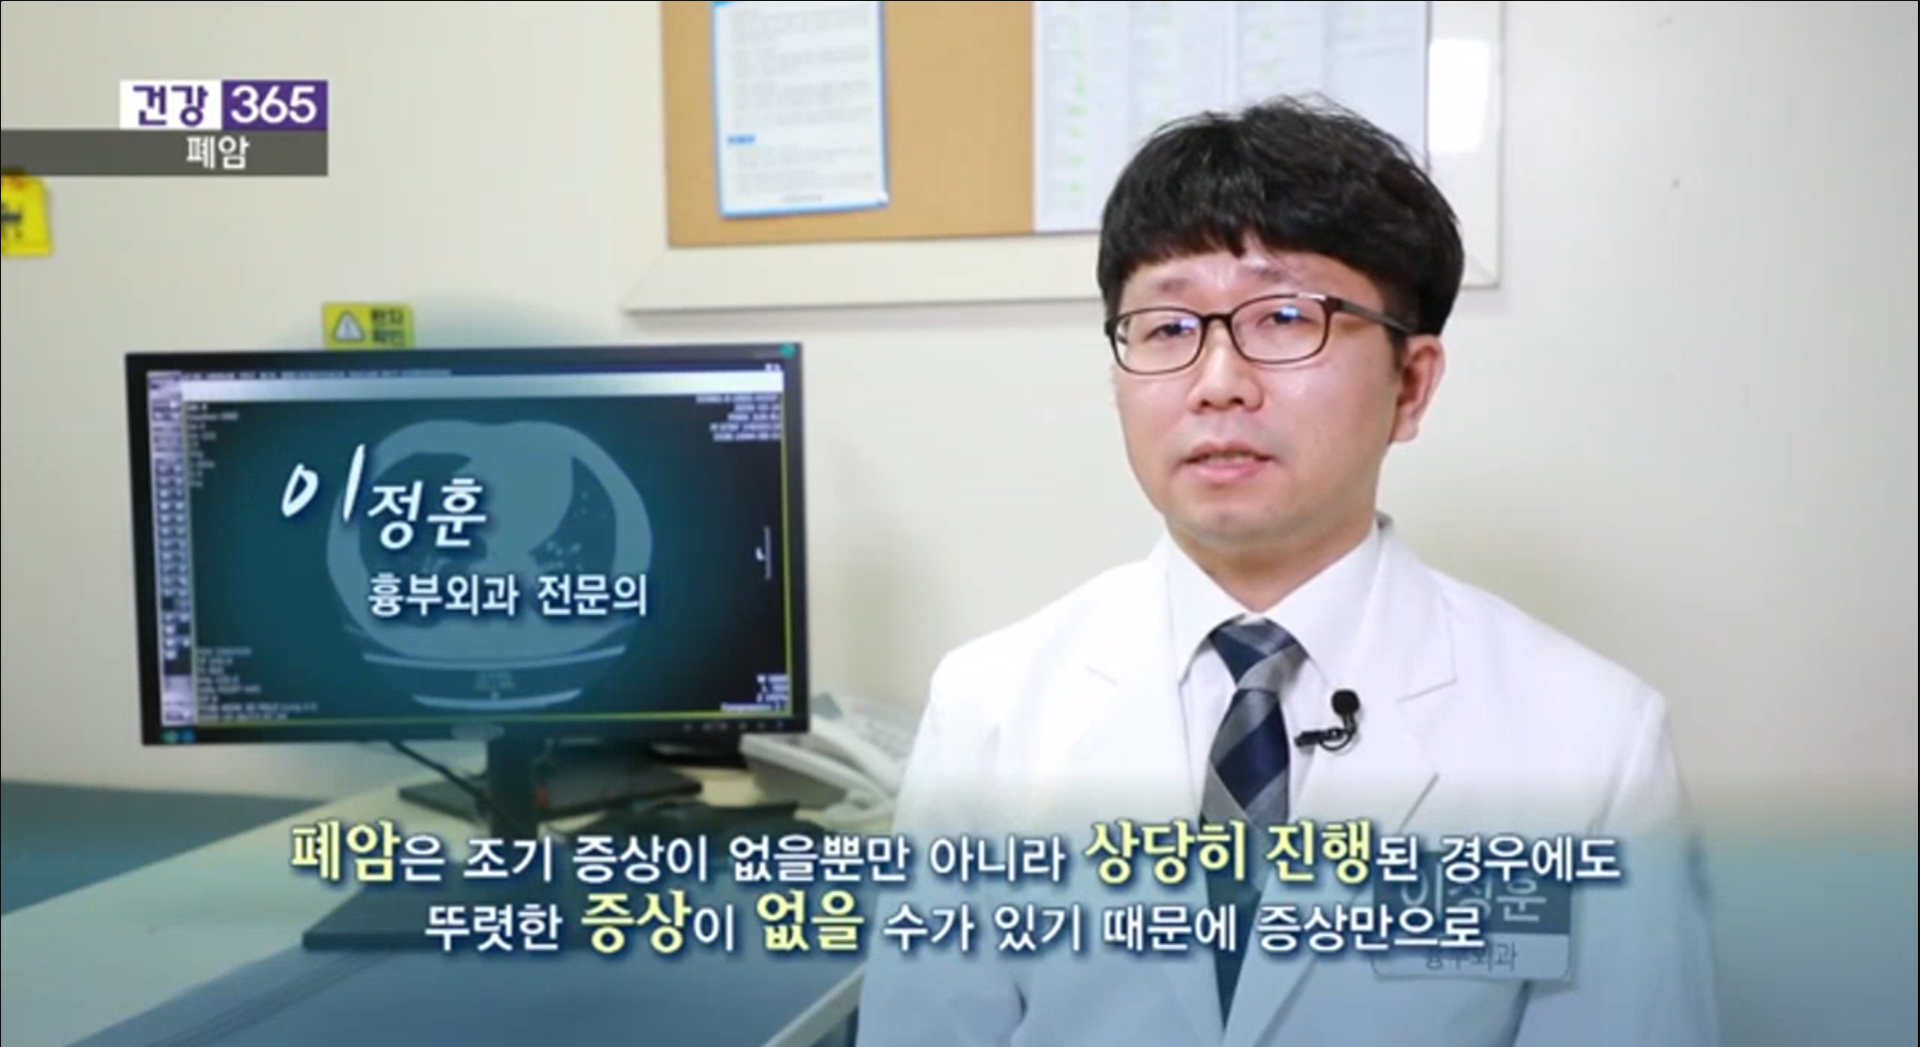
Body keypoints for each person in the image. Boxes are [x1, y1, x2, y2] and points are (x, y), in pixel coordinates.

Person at [853, 95, 1720, 1047]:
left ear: (1411, 383)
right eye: (1168, 327)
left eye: (1283, 316)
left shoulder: (1592, 741)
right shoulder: (991, 705)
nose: (1218, 381)